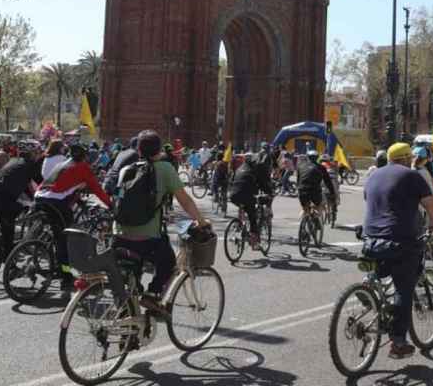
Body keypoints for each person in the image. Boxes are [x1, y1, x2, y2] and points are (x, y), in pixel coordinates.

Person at [361, 142, 433, 360]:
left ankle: (369, 284)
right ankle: (398, 342)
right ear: (408, 159)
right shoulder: (412, 176)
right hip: (400, 240)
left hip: (370, 239)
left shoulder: (373, 175)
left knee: (380, 267)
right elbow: (432, 208)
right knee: (403, 288)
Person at [113, 130, 209, 311]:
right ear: (159, 150)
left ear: (138, 149)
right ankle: (153, 295)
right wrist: (201, 221)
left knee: (131, 281)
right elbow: (185, 200)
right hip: (147, 238)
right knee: (168, 263)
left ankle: (130, 322)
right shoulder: (165, 168)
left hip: (119, 234)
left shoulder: (127, 169)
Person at [35, 143, 112, 292]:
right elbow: (97, 190)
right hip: (55, 202)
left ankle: (53, 257)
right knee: (65, 239)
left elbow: (64, 185)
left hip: (40, 196)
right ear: (84, 157)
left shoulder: (63, 164)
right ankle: (66, 277)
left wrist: (77, 199)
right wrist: (111, 205)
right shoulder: (83, 168)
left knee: (58, 232)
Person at [0, 146, 42, 259]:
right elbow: (38, 183)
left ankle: (3, 243)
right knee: (11, 222)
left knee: (10, 219)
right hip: (0, 198)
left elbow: (24, 185)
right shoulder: (29, 165)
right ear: (32, 155)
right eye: (37, 153)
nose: (38, 156)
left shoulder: (15, 161)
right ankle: (8, 258)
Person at [228, 151, 273, 248]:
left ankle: (240, 226)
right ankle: (254, 242)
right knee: (252, 217)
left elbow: (232, 181)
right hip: (247, 196)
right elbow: (263, 184)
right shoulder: (255, 169)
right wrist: (269, 194)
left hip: (233, 195)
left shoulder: (239, 168)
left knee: (243, 206)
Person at [296, 150, 337, 217]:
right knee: (318, 209)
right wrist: (332, 193)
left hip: (302, 191)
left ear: (307, 157)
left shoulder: (300, 166)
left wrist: (299, 190)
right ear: (317, 158)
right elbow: (328, 182)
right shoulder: (321, 167)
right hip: (315, 192)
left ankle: (304, 215)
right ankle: (316, 221)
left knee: (305, 208)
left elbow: (298, 181)